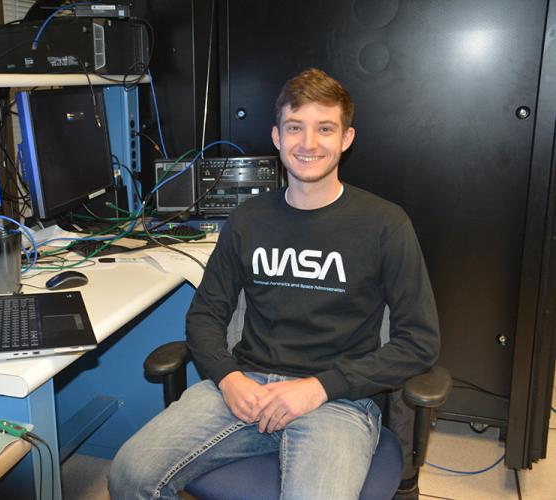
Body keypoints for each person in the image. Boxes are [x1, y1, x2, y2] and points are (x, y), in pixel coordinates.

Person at [108, 68, 440, 499]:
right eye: (295, 127)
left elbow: (420, 342)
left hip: (337, 400)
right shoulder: (248, 219)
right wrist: (228, 378)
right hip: (246, 388)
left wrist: (320, 387)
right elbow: (205, 315)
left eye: (325, 128)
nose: (309, 143)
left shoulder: (385, 224)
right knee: (129, 474)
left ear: (347, 138)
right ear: (277, 137)